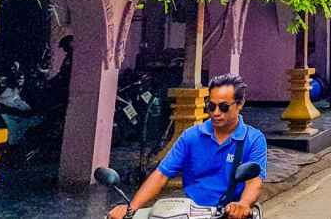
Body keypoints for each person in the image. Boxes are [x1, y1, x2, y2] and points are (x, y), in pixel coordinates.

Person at [107, 74, 267, 219]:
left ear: (240, 104)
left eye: (223, 107)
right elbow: (161, 175)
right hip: (190, 213)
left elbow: (254, 181)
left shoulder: (253, 139)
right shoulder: (191, 136)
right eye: (211, 106)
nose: (216, 113)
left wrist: (243, 204)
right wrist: (130, 209)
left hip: (231, 214)